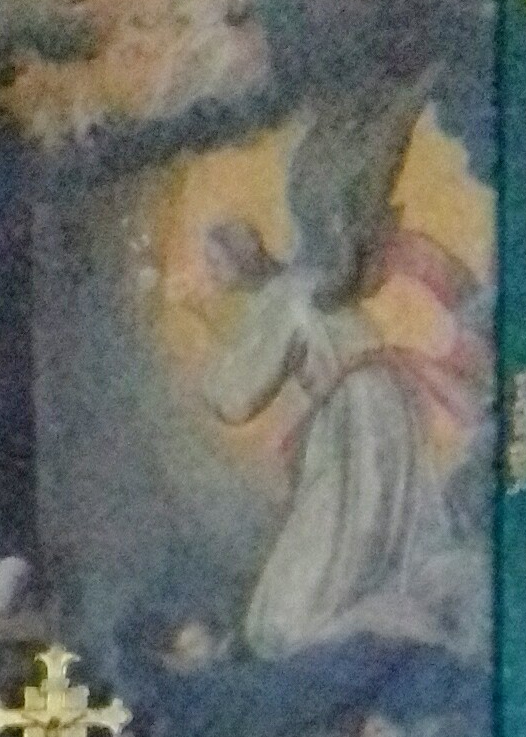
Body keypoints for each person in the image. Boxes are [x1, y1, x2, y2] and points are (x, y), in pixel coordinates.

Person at [200, 81, 490, 668]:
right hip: (385, 413)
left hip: (356, 423)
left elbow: (235, 398)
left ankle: (397, 621)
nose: (212, 276)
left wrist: (214, 363)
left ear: (236, 260)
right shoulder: (309, 285)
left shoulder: (287, 300)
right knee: (371, 559)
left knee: (281, 623)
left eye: (214, 262)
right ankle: (401, 614)